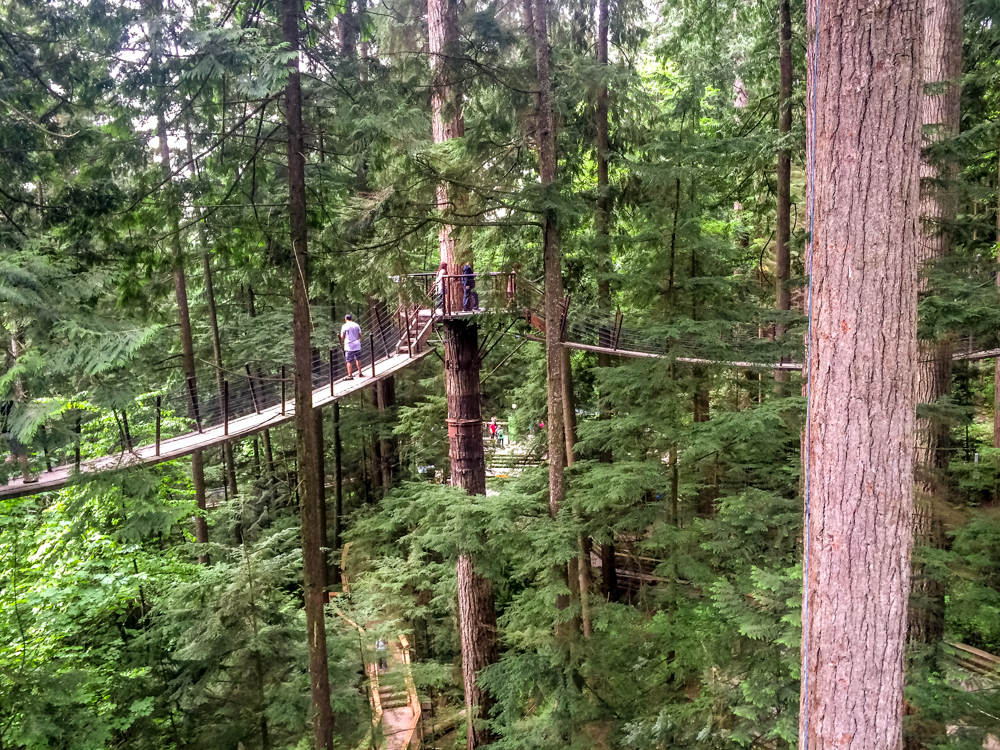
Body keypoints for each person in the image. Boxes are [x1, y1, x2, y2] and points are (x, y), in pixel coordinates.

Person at [1, 400, 36, 484]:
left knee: (14, 455)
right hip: (15, 432)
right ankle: (26, 477)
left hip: (7, 432)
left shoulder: (3, 404)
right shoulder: (12, 404)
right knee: (22, 455)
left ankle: (1, 474)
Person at [339, 313, 364, 379]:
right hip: (357, 344)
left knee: (349, 360)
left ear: (345, 319)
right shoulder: (356, 325)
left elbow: (342, 336)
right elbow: (360, 334)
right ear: (351, 319)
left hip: (349, 345)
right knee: (358, 359)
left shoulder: (344, 326)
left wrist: (344, 336)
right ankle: (360, 372)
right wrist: (359, 340)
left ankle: (350, 375)